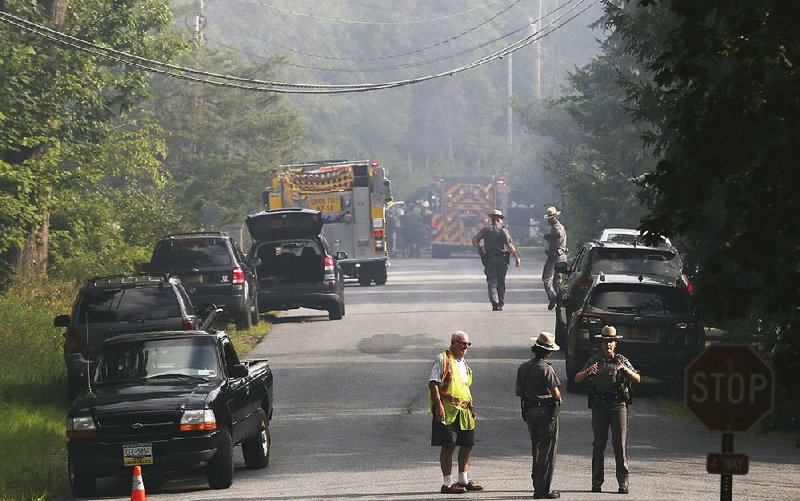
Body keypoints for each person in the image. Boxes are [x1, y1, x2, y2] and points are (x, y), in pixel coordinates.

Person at [574, 325, 641, 495]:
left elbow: (638, 378)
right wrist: (588, 371)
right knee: (599, 444)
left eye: (611, 341)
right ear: (601, 343)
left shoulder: (621, 360)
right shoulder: (594, 361)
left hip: (618, 405)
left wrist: (624, 370)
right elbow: (577, 378)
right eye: (605, 341)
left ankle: (623, 483)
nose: (608, 344)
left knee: (620, 444)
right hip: (600, 405)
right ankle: (597, 481)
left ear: (615, 343)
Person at [429, 330, 484, 494]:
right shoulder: (443, 359)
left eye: (468, 344)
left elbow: (465, 387)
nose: (465, 347)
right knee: (448, 446)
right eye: (462, 343)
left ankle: (463, 480)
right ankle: (447, 484)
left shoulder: (464, 363)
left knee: (467, 444)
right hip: (447, 411)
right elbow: (433, 384)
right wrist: (438, 406)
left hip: (464, 411)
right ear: (452, 343)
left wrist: (472, 407)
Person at [516, 332, 563, 499]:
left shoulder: (523, 367)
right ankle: (542, 489)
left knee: (535, 448)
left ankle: (536, 484)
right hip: (545, 412)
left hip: (529, 411)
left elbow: (519, 391)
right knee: (547, 451)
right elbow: (556, 394)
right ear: (548, 352)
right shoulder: (546, 369)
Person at [471, 209, 521, 311]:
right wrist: (517, 257)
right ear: (499, 219)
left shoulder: (485, 230)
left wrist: (480, 250)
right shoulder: (503, 231)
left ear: (492, 219)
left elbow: (474, 240)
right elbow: (509, 245)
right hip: (502, 260)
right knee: (501, 282)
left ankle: (494, 302)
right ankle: (500, 303)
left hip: (490, 260)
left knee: (492, 281)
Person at [542, 206, 567, 310]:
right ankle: (560, 302)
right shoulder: (557, 226)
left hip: (555, 257)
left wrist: (548, 236)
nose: (548, 220)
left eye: (550, 218)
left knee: (546, 278)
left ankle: (553, 297)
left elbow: (558, 234)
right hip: (561, 256)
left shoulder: (557, 227)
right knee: (558, 280)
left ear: (554, 218)